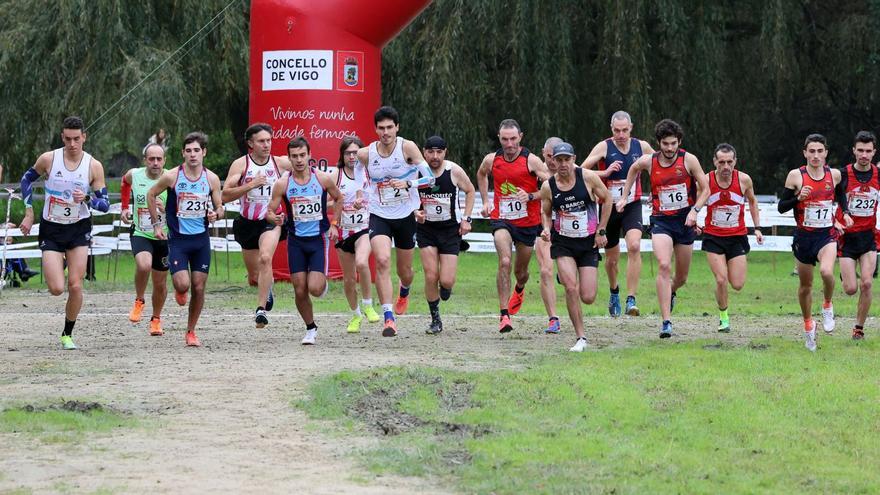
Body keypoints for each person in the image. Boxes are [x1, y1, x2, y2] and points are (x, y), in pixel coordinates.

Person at [19, 116, 109, 350]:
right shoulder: (49, 159)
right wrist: (29, 212)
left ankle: (67, 333)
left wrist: (87, 198)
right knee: (57, 288)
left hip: (78, 228)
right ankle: (62, 263)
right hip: (52, 227)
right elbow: (26, 180)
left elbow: (105, 204)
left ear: (84, 137)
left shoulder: (93, 165)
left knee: (75, 285)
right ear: (62, 137)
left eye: (76, 139)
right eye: (68, 139)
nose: (72, 144)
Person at [617, 119, 709, 338]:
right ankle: (666, 321)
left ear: (679, 142)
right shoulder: (649, 161)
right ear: (658, 143)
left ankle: (672, 291)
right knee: (664, 264)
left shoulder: (689, 160)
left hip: (685, 221)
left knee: (682, 277)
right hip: (661, 221)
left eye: (673, 143)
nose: (669, 148)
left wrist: (695, 211)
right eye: (665, 144)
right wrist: (624, 197)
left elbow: (705, 189)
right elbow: (632, 170)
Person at [353, 106, 434, 337]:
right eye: (381, 128)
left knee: (405, 270)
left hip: (406, 215)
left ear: (397, 127)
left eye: (390, 127)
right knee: (382, 259)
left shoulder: (406, 147)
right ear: (375, 129)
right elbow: (358, 169)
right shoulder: (366, 153)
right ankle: (388, 318)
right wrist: (360, 193)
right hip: (379, 214)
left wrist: (408, 184)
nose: (386, 132)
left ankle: (404, 290)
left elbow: (429, 179)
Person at [147, 132, 224, 347]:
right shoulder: (172, 176)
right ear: (182, 153)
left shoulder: (211, 179)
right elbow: (151, 195)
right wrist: (156, 225)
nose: (192, 155)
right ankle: (181, 290)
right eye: (188, 151)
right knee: (183, 284)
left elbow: (220, 207)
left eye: (196, 150)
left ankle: (191, 331)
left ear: (204, 153)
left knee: (199, 288)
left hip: (200, 241)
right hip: (178, 241)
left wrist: (216, 214)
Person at [778, 134, 851, 351]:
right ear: (805, 153)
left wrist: (845, 212)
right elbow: (782, 206)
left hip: (826, 235)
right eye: (812, 151)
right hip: (803, 237)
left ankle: (827, 304)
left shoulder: (834, 175)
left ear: (826, 152)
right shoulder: (795, 176)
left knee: (827, 272)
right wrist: (798, 199)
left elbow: (840, 195)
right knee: (805, 287)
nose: (816, 155)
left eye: (820, 151)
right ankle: (809, 326)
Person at [477, 119, 551, 333]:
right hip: (502, 219)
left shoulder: (532, 161)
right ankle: (504, 315)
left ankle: (519, 288)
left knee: (521, 272)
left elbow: (551, 187)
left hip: (528, 223)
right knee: (505, 261)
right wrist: (485, 201)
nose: (508, 144)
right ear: (499, 139)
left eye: (512, 139)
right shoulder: (492, 160)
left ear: (520, 137)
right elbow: (482, 174)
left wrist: (531, 195)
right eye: (504, 139)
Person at [267, 137, 343, 345]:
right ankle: (310, 328)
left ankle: (321, 285)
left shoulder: (323, 179)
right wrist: (274, 218)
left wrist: (335, 223)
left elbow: (339, 198)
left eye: (302, 155)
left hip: (318, 239)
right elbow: (270, 211)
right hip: (296, 241)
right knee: (299, 288)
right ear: (289, 158)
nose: (299, 160)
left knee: (314, 289)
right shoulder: (283, 184)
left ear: (309, 155)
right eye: (294, 156)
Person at [539, 142, 611, 352]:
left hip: (587, 243)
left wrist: (601, 230)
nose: (563, 164)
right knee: (571, 288)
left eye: (566, 159)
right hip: (563, 243)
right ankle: (581, 337)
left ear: (573, 159)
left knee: (587, 297)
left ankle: (568, 275)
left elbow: (607, 200)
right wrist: (546, 228)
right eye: (558, 160)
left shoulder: (587, 177)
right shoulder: (548, 186)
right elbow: (546, 212)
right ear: (553, 161)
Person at [581, 111, 654, 317]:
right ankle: (614, 291)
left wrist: (655, 193)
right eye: (616, 130)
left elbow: (659, 169)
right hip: (608, 208)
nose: (621, 135)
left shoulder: (642, 147)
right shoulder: (604, 147)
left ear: (631, 127)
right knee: (612, 260)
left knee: (634, 245)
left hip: (632, 204)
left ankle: (631, 299)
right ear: (611, 129)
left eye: (624, 130)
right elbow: (580, 170)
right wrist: (604, 173)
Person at [221, 123, 292, 328]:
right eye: (261, 141)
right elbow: (225, 195)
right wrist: (251, 184)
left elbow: (306, 169)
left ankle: (260, 310)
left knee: (265, 257)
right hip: (246, 223)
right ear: (251, 143)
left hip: (270, 221)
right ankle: (266, 289)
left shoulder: (280, 163)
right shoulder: (241, 165)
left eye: (269, 140)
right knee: (254, 275)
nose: (266, 145)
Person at [414, 135, 475, 335]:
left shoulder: (453, 171)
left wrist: (467, 219)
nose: (435, 156)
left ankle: (445, 288)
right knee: (431, 275)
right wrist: (416, 212)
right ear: (424, 152)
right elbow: (407, 196)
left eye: (439, 152)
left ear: (445, 152)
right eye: (430, 152)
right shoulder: (417, 172)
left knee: (446, 281)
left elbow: (470, 190)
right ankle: (435, 319)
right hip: (426, 230)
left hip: (450, 231)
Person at [700, 143, 763, 333]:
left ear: (735, 161)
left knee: (737, 284)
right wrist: (693, 218)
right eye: (721, 162)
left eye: (729, 162)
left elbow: (752, 201)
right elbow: (693, 201)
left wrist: (757, 228)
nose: (726, 167)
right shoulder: (706, 180)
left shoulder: (744, 180)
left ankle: (724, 298)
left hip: (737, 237)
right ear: (714, 162)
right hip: (713, 237)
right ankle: (724, 318)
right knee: (721, 279)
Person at [331, 136, 380, 333]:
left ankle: (368, 304)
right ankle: (356, 315)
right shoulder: (336, 176)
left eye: (355, 152)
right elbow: (328, 200)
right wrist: (338, 209)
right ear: (342, 156)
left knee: (362, 263)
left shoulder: (369, 173)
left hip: (364, 227)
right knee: (349, 279)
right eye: (348, 153)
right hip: (343, 231)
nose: (352, 156)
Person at [120, 143, 170, 335]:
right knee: (143, 265)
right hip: (141, 232)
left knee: (160, 283)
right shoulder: (135, 174)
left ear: (164, 160)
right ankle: (139, 299)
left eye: (159, 159)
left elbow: (178, 206)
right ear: (145, 161)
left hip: (164, 236)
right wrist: (125, 207)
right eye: (151, 159)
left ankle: (156, 319)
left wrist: (166, 209)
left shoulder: (171, 178)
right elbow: (124, 183)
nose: (155, 163)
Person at [834, 131, 878, 340]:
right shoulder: (843, 175)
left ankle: (858, 328)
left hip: (869, 237)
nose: (864, 154)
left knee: (867, 283)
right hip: (847, 238)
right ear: (854, 151)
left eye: (868, 151)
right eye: (860, 150)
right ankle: (846, 274)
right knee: (851, 289)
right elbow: (827, 200)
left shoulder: (878, 175)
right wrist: (836, 221)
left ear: (874, 152)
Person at [535, 137, 562, 334]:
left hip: (568, 227)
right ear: (543, 153)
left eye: (557, 157)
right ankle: (553, 318)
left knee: (570, 277)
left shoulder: (572, 170)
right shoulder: (534, 170)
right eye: (549, 156)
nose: (553, 161)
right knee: (545, 270)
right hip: (541, 226)